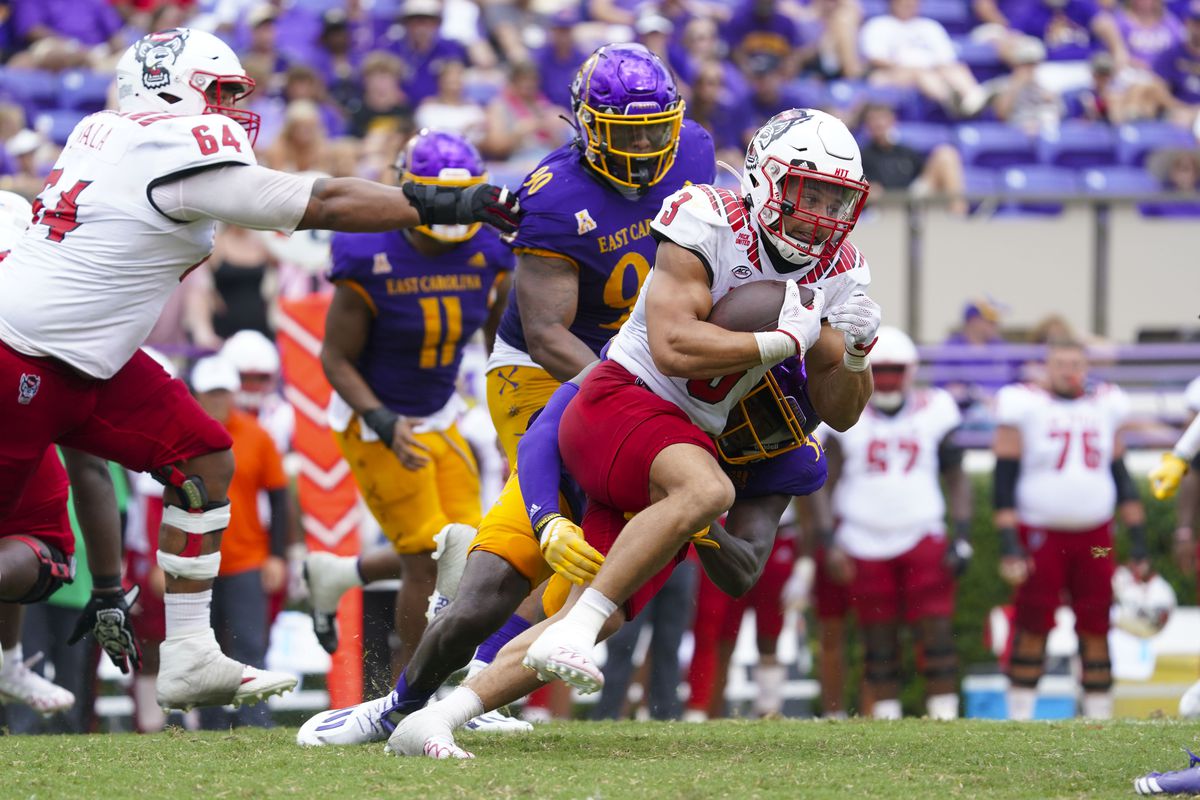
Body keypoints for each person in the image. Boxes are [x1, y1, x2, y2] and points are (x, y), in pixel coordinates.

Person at [0, 26, 521, 713]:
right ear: (168, 92)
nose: (229, 111)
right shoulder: (167, 144)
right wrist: (445, 203)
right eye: (216, 93)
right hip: (23, 362)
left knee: (205, 458)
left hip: (82, 358)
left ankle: (187, 655)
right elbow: (321, 204)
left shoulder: (108, 132)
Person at [387, 106, 881, 757]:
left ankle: (435, 718)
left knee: (592, 614)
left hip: (681, 459)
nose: (820, 214)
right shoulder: (708, 217)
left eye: (835, 199)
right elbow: (668, 352)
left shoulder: (788, 441)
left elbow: (839, 412)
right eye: (807, 191)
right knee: (497, 592)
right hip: (624, 402)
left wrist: (850, 357)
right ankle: (401, 699)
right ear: (765, 179)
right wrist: (544, 517)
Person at [294, 42, 714, 747]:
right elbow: (548, 332)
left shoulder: (695, 152)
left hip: (644, 367)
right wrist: (635, 392)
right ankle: (430, 690)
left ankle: (476, 682)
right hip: (548, 371)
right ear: (585, 127)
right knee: (544, 541)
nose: (644, 148)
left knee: (602, 562)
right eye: (624, 131)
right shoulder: (553, 198)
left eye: (654, 128)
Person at [302, 129, 514, 686]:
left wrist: (506, 421)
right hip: (376, 418)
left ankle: (338, 574)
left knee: (472, 552)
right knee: (427, 556)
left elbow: (502, 345)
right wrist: (383, 420)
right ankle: (418, 692)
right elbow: (335, 358)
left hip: (440, 410)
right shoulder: (369, 250)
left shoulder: (491, 247)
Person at [809, 326, 972, 720]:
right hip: (862, 538)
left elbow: (957, 475)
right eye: (878, 370)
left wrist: (963, 534)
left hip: (922, 531)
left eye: (894, 370)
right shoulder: (844, 411)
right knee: (876, 637)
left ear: (911, 371)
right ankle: (886, 716)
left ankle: (944, 714)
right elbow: (820, 481)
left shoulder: (936, 408)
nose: (885, 380)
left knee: (936, 633)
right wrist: (829, 540)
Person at [993, 340, 1148, 720]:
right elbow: (1003, 480)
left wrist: (1139, 540)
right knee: (1034, 617)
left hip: (1096, 540)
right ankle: (1020, 714)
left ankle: (1099, 714)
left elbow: (1121, 473)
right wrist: (1009, 544)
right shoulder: (1024, 404)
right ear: (1047, 366)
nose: (1068, 370)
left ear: (1086, 366)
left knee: (1096, 616)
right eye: (1060, 363)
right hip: (1041, 536)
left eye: (1075, 363)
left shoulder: (1107, 405)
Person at [188, 355, 290, 730]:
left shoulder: (256, 435)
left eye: (223, 393)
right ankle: (211, 723)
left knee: (250, 644)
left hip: (247, 559)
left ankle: (257, 719)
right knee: (203, 647)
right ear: (196, 396)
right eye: (210, 393)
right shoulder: (184, 437)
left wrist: (277, 556)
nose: (218, 401)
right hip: (197, 561)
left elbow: (279, 497)